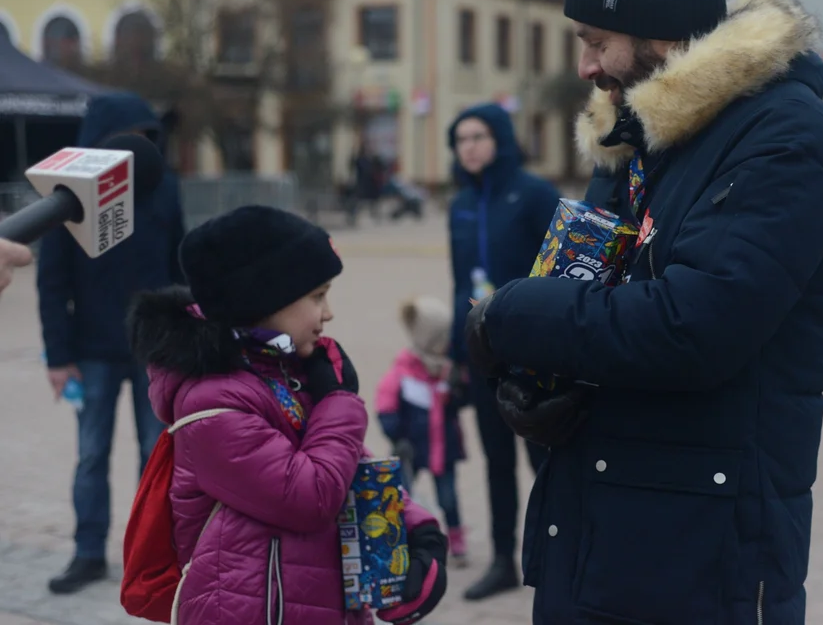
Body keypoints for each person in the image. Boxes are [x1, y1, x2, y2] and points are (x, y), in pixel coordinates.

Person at [463, 0, 823, 623]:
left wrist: (513, 316)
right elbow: (590, 287)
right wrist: (541, 383)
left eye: (597, 42)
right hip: (604, 530)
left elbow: (692, 327)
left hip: (706, 557)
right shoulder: (639, 135)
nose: (585, 67)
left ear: (663, 35)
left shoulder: (787, 138)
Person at [127, 205, 447, 625]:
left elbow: (346, 462)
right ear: (263, 298)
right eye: (317, 296)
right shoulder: (210, 405)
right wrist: (337, 400)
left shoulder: (285, 373)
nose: (327, 313)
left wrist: (414, 526)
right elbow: (309, 496)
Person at [37, 92, 187, 594]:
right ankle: (87, 553)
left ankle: (156, 559)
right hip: (91, 352)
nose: (143, 148)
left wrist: (187, 342)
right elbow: (52, 281)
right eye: (133, 138)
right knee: (91, 455)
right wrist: (58, 357)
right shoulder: (67, 194)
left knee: (156, 456)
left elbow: (180, 268)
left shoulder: (165, 188)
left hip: (156, 352)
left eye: (149, 138)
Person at [447, 102, 561, 600]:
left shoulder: (534, 195)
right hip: (482, 357)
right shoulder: (459, 206)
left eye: (477, 136)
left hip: (534, 354)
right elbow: (458, 285)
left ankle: (561, 558)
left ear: (499, 138)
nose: (467, 147)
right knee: (495, 462)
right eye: (459, 139)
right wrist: (456, 354)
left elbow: (559, 272)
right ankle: (501, 560)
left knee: (546, 461)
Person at [375, 296, 468, 567]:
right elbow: (385, 406)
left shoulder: (448, 370)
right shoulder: (402, 372)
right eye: (442, 338)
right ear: (428, 339)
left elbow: (459, 404)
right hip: (411, 447)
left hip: (444, 447)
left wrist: (459, 388)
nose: (448, 344)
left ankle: (456, 536)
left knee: (448, 497)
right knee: (402, 494)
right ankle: (400, 538)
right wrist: (396, 437)